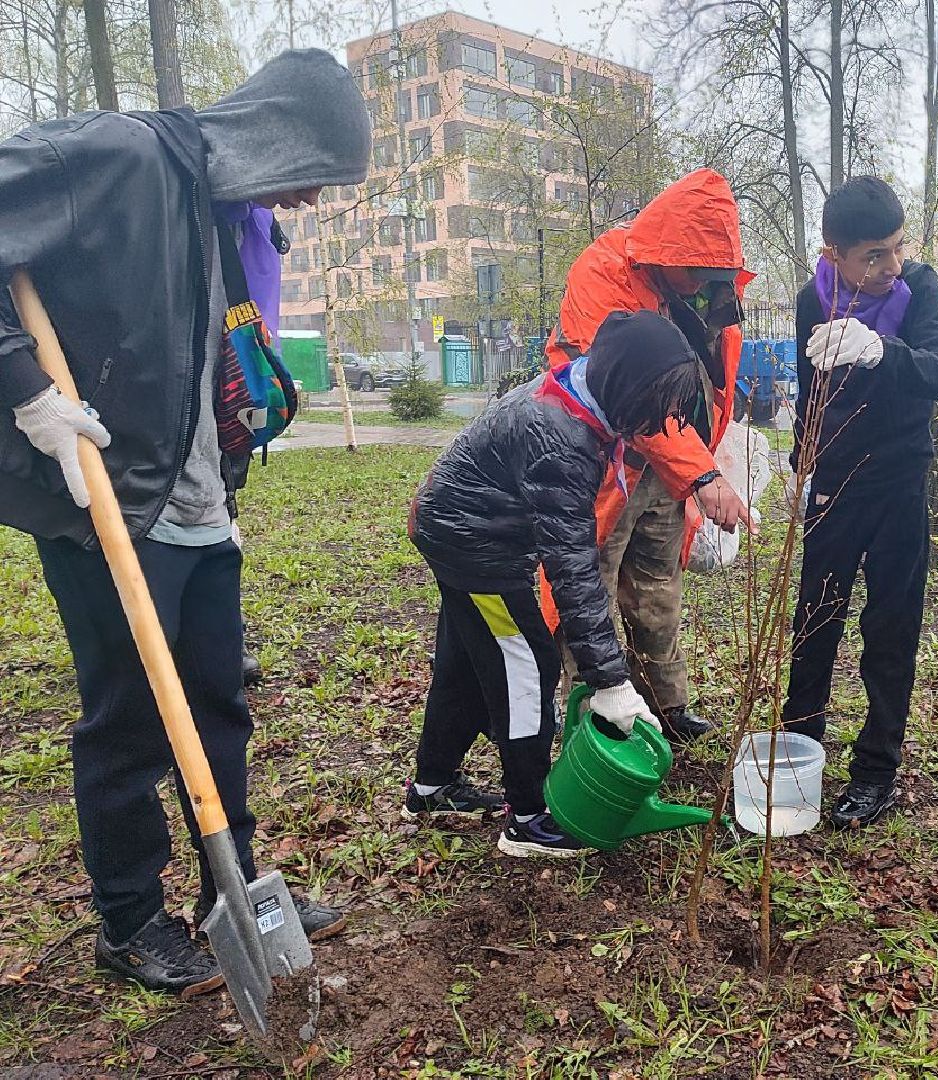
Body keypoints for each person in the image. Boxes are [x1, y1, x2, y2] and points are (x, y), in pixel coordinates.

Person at [0, 49, 369, 996]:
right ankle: (127, 923)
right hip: (109, 503)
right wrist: (25, 385)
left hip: (200, 504)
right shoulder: (118, 157)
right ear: (280, 134)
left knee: (217, 704)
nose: (312, 202)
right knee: (127, 719)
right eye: (317, 175)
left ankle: (236, 886)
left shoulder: (217, 210)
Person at [406, 311, 706, 856]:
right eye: (655, 407)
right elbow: (572, 570)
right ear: (626, 387)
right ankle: (527, 818)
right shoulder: (562, 441)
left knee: (465, 663)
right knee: (526, 667)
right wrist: (612, 683)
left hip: (451, 527)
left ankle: (432, 786)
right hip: (477, 549)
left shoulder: (578, 393)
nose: (659, 422)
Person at [542, 169, 752, 745]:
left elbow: (714, 375)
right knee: (593, 592)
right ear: (667, 249)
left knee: (659, 589)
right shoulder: (604, 274)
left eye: (714, 275)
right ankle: (599, 720)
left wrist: (710, 449)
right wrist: (702, 475)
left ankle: (665, 706)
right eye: (696, 273)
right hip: (605, 465)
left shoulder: (709, 286)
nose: (702, 285)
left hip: (668, 469)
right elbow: (631, 400)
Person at [781, 176, 938, 829]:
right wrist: (800, 461)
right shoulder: (813, 300)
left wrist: (883, 349)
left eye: (897, 247)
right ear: (834, 255)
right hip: (834, 484)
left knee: (890, 627)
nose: (891, 266)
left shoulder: (919, 291)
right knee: (814, 624)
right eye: (873, 256)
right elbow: (810, 391)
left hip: (899, 481)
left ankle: (875, 770)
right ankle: (798, 752)